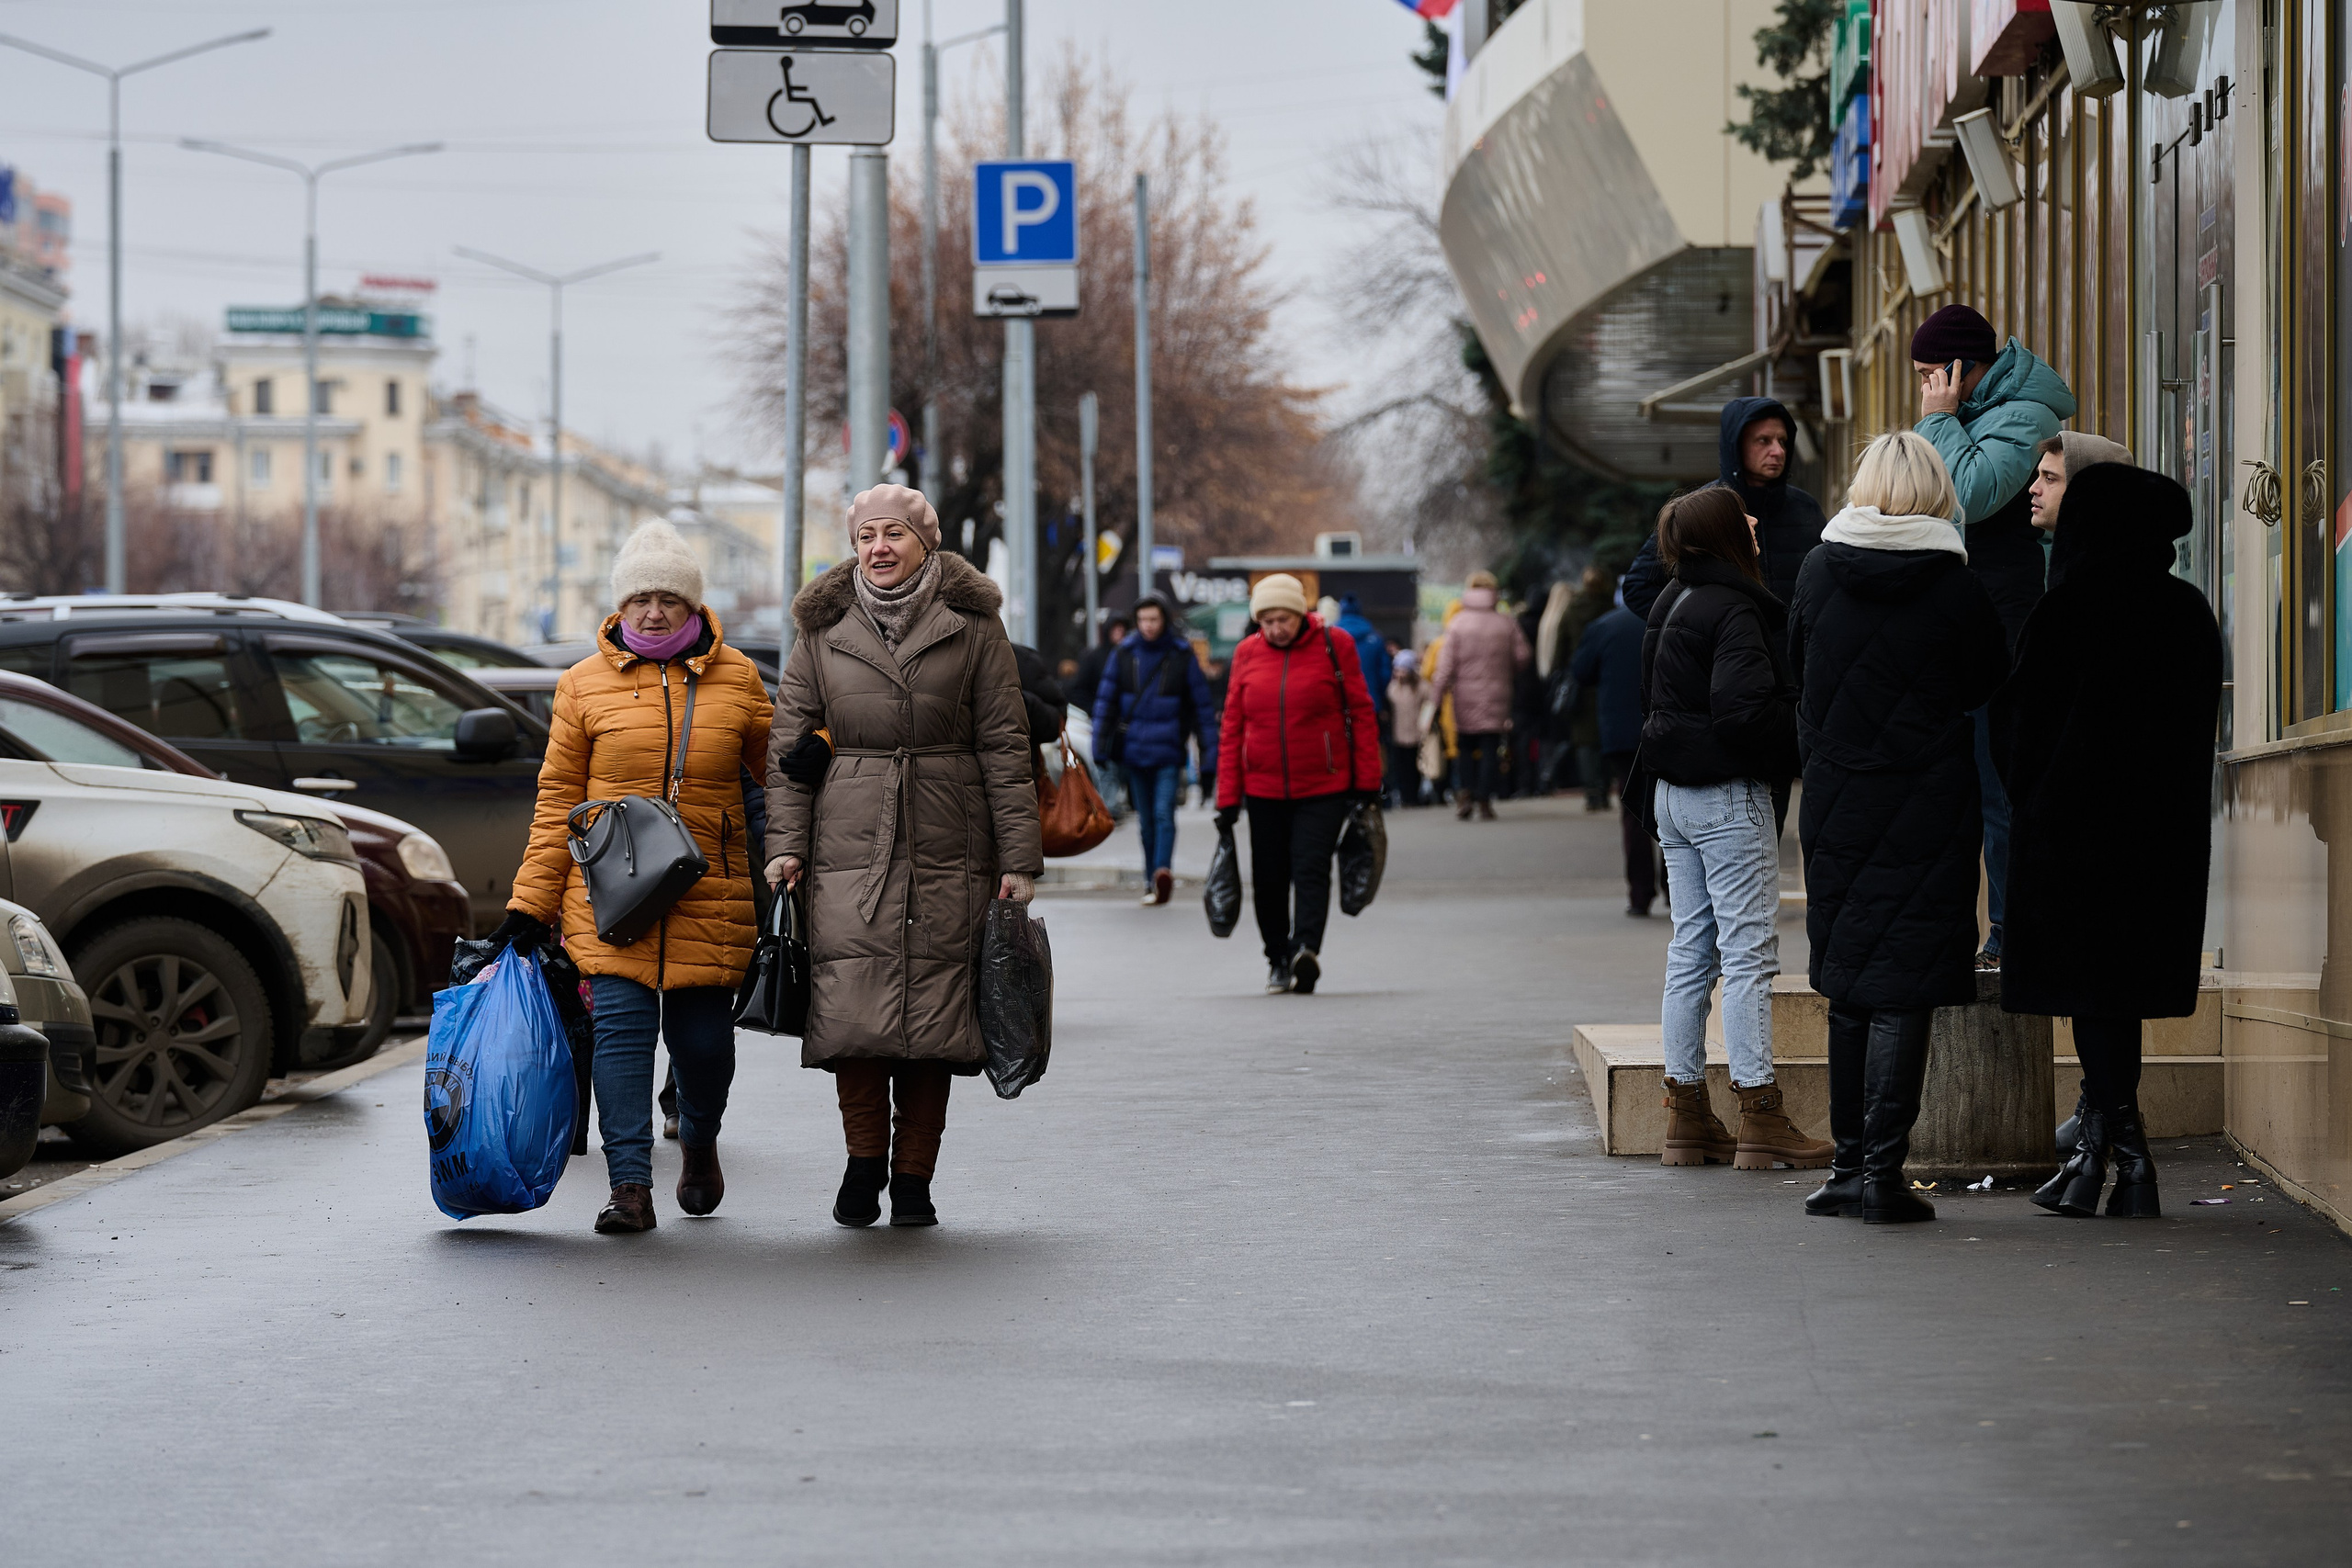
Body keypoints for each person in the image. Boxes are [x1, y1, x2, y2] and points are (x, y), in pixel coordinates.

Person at [764, 484, 1043, 1230]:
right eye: (865, 537)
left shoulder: (975, 624)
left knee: (935, 1018)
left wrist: (1019, 859)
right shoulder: (821, 628)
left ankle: (914, 1178)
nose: (878, 548)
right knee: (854, 1010)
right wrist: (786, 847)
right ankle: (862, 1164)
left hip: (952, 839)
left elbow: (1005, 746)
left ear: (927, 542)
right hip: (848, 843)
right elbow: (788, 749)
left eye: (894, 534)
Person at [492, 520, 774, 1235]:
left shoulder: (737, 678)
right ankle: (629, 1187)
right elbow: (557, 800)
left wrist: (826, 753)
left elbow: (782, 773)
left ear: (693, 606)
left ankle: (701, 1139)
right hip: (609, 895)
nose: (653, 611)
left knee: (705, 1047)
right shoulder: (582, 685)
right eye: (641, 597)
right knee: (619, 1036)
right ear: (620, 605)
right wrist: (531, 901)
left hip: (709, 894)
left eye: (669, 598)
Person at [1785, 433, 2010, 1224]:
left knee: (1849, 983)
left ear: (1864, 485)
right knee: (1904, 987)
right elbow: (1987, 677)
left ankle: (1846, 1168)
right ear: (1935, 491)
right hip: (1928, 803)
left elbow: (1795, 668)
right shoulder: (1954, 582)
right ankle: (1884, 1173)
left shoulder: (1817, 570)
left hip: (1841, 802)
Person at [1995, 464, 2222, 1220]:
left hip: (2074, 839)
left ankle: (2120, 1156)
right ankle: (2109, 1158)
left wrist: (2036, 799)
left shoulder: (2068, 612)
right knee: (2117, 994)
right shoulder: (2189, 613)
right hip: (2159, 844)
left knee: (2092, 994)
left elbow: (2015, 732)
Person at [1638, 487, 1827, 1173]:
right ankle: (1761, 1114)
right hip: (1724, 796)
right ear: (1724, 533)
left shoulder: (1672, 600)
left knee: (1691, 950)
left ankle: (1688, 1115)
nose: (1756, 522)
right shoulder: (1737, 607)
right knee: (1748, 956)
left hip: (1672, 796)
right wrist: (1803, 730)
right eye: (1743, 516)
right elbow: (1745, 711)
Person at [1905, 303, 2078, 969]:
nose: (1925, 387)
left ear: (1960, 368)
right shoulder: (1967, 416)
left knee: (2000, 779)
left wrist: (1940, 421)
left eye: (1931, 373)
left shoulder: (2027, 414)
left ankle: (2010, 929)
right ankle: (1974, 928)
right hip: (1963, 620)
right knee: (1960, 784)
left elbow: (1971, 493)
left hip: (2007, 625)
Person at [1214, 572, 1381, 996]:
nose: (1275, 629)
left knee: (1310, 868)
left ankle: (1306, 948)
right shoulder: (1247, 654)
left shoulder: (1334, 644)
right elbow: (1233, 725)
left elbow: (1360, 711)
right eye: (1266, 621)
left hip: (1323, 785)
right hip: (1263, 787)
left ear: (1299, 613)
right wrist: (1227, 797)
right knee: (1269, 877)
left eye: (1282, 619)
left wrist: (1367, 781)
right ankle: (1277, 959)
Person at [1623, 397, 1826, 622]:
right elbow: (1638, 587)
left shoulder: (1806, 508)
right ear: (1736, 444)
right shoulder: (1705, 511)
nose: (1778, 451)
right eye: (1763, 440)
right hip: (1730, 654)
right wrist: (1705, 630)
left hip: (1796, 656)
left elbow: (1827, 587)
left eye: (1783, 441)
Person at [1092, 592, 1218, 906]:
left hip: (1168, 751)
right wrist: (1100, 746)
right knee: (1146, 820)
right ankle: (1152, 880)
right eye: (1143, 619)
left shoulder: (1181, 655)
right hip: (1134, 752)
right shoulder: (1124, 653)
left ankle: (1162, 871)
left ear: (1164, 620)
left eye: (1154, 619)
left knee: (1163, 814)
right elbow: (1106, 702)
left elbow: (1203, 709)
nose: (1148, 625)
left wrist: (1209, 757)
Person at [1567, 590, 1653, 915]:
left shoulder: (1605, 626)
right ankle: (1677, 892)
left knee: (1633, 813)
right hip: (1665, 727)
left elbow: (1580, 671)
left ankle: (1640, 894)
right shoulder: (1670, 616)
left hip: (1621, 731)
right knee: (1673, 811)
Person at [1429, 570, 1531, 820]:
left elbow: (1445, 667)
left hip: (1464, 695)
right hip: (1498, 693)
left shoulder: (1458, 623)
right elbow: (1523, 656)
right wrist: (1506, 671)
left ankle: (1465, 796)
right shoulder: (1505, 622)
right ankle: (1485, 800)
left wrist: (1436, 699)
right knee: (1490, 746)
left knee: (1465, 746)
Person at [1559, 566, 1618, 807]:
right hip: (1607, 680)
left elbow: (1561, 646)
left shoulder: (1572, 610)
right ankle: (1604, 789)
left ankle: (1591, 791)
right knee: (1605, 737)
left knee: (1584, 741)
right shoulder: (1610, 609)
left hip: (1580, 680)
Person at [1334, 592, 1394, 722]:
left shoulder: (1330, 637)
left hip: (1338, 704)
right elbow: (1384, 674)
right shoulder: (1375, 637)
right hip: (1371, 702)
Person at [1385, 660, 1430, 807]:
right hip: (1399, 733)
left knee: (1416, 767)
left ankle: (1415, 796)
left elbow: (1430, 705)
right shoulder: (1393, 688)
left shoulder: (1422, 687)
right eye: (1397, 670)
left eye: (1403, 670)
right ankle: (1406, 796)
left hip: (1418, 732)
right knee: (1402, 768)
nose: (1400, 674)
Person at [1071, 614, 1129, 726]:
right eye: (1115, 628)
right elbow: (1079, 691)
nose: (1119, 632)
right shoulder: (1093, 657)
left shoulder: (1132, 657)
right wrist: (1097, 711)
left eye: (1122, 628)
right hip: (1103, 720)